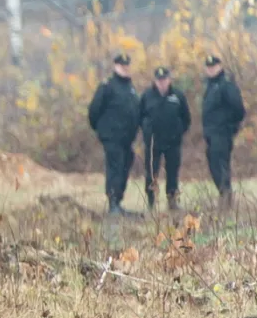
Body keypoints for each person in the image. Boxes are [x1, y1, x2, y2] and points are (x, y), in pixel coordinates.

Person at [87, 53, 141, 215]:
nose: (124, 68)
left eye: (127, 65)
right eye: (121, 65)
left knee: (126, 164)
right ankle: (112, 204)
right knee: (115, 167)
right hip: (112, 137)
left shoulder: (130, 88)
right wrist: (102, 131)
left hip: (127, 139)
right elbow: (94, 110)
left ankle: (118, 200)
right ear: (115, 66)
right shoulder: (107, 86)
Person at [139, 66, 191, 212]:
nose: (162, 83)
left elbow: (186, 118)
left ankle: (172, 201)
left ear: (169, 80)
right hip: (153, 144)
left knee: (173, 172)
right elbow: (140, 116)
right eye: (159, 80)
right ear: (155, 81)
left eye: (164, 80)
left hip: (172, 143)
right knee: (151, 172)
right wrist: (147, 132)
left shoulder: (178, 96)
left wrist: (179, 132)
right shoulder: (147, 96)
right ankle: (151, 201)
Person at [202, 54, 246, 207]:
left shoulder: (226, 84)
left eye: (213, 67)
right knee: (214, 163)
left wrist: (230, 127)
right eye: (208, 67)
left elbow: (239, 109)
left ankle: (226, 197)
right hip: (211, 133)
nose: (211, 70)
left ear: (219, 66)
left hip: (222, 133)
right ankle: (223, 194)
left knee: (220, 165)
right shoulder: (210, 85)